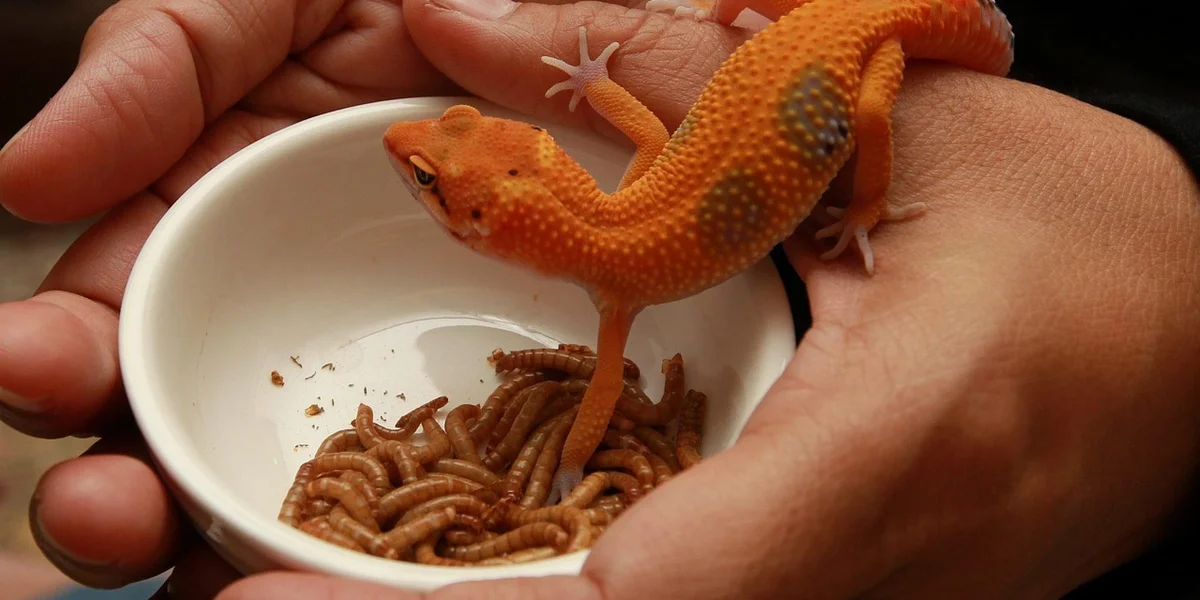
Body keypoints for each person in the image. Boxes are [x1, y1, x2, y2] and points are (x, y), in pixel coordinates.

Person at [1, 0, 1197, 598]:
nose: (420, 159)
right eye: (437, 162)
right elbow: (631, 115)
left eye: (433, 173)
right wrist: (597, 71)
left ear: (485, 214)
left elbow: (600, 392)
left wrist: (866, 207)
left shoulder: (617, 273)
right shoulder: (621, 216)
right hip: (810, 30)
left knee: (876, 111)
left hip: (868, 52)